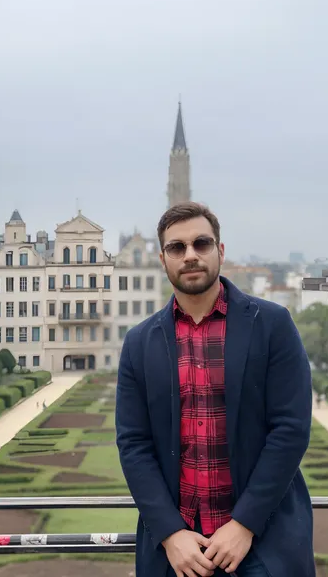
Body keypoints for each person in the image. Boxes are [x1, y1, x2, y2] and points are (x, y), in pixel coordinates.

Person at [116, 202, 315, 577]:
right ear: (163, 259)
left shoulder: (272, 324)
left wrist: (244, 524)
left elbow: (290, 430)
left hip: (261, 542)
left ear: (220, 251)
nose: (190, 255)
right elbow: (133, 444)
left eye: (201, 244)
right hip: (177, 554)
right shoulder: (139, 342)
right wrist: (171, 532)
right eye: (177, 247)